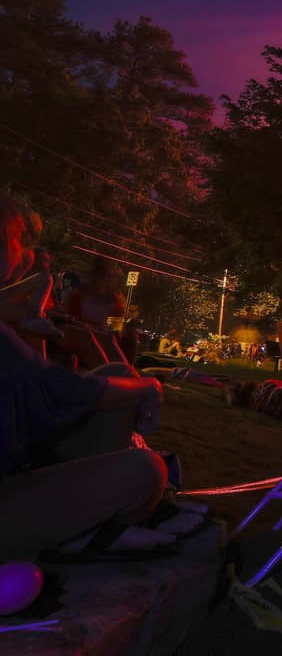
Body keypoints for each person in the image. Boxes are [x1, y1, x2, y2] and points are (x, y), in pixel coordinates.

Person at [0, 195, 196, 562]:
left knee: (118, 373)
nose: (27, 252)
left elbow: (40, 391)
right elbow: (66, 391)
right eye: (20, 240)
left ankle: (83, 524)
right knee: (145, 471)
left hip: (16, 460)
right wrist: (149, 386)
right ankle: (83, 533)